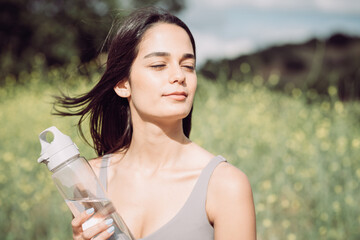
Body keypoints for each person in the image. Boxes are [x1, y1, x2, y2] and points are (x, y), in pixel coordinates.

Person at [54, 6, 256, 240]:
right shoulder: (89, 179)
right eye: (159, 65)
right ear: (122, 83)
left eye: (188, 66)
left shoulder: (226, 186)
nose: (179, 76)